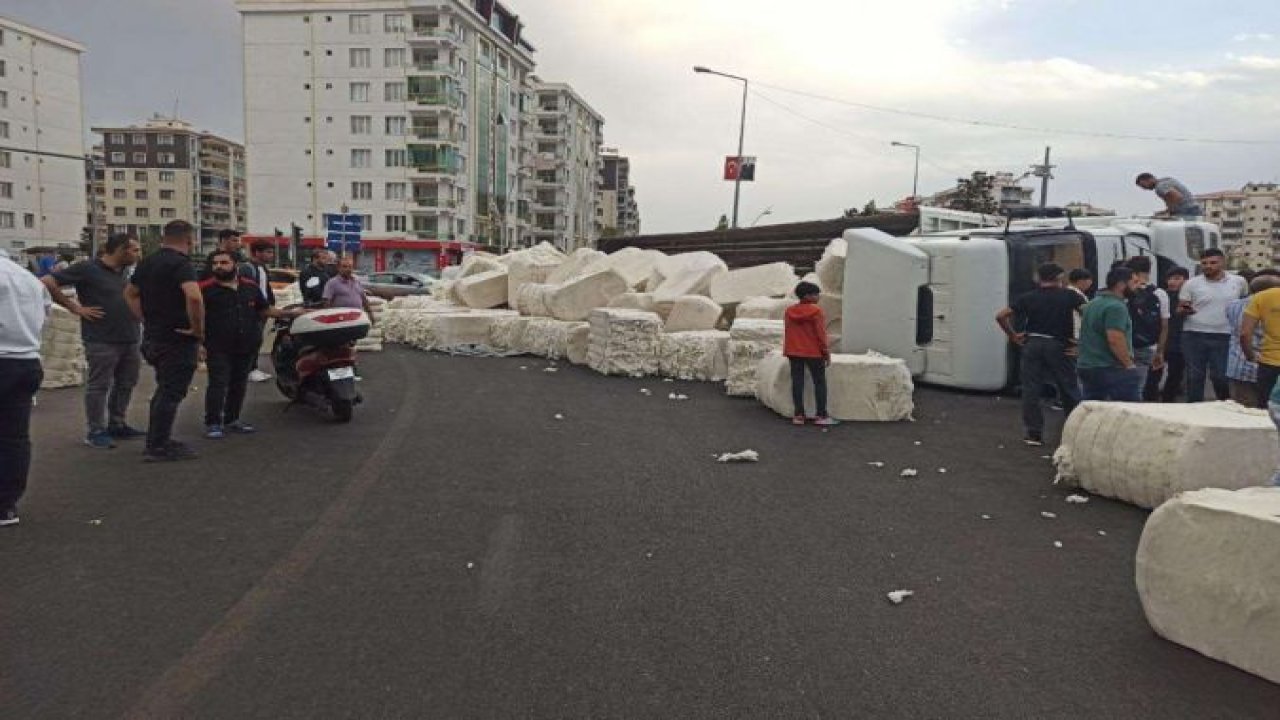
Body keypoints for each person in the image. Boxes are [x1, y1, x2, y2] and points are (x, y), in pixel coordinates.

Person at [41, 233, 145, 448]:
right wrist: (74, 308)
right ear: (120, 250)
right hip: (101, 339)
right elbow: (47, 281)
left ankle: (117, 423)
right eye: (135, 250)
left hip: (130, 336)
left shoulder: (128, 272)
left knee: (126, 383)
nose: (138, 254)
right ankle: (95, 430)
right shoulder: (87, 269)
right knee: (99, 385)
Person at [124, 219, 204, 462]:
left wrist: (146, 318)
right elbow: (194, 297)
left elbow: (129, 293)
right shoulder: (181, 264)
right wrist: (197, 330)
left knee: (164, 389)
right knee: (171, 392)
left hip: (154, 336)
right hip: (177, 338)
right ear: (189, 239)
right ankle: (158, 445)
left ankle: (158, 439)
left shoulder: (148, 262)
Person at [198, 250, 298, 438]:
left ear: (235, 264)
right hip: (217, 345)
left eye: (224, 262)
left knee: (239, 383)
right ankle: (213, 422)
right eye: (215, 263)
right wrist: (199, 343)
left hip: (246, 344)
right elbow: (195, 316)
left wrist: (292, 314)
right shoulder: (204, 288)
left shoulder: (250, 287)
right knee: (218, 383)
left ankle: (232, 419)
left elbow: (265, 309)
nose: (219, 266)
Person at [995, 263, 1086, 446]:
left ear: (1039, 278)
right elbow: (1090, 314)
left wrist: (1013, 335)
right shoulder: (1070, 296)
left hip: (1032, 343)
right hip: (1059, 344)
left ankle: (1034, 433)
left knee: (1031, 389)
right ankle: (1077, 430)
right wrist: (1083, 342)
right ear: (1059, 278)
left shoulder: (1029, 297)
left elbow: (1001, 315)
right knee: (1068, 387)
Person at [0, 252, 50, 526]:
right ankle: (6, 505)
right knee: (14, 437)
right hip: (26, 360)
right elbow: (45, 315)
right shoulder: (28, 278)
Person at [1180, 248, 1247, 402]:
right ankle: (1193, 410)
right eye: (1204, 263)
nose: (1208, 266)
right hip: (1194, 335)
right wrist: (1184, 310)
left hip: (1225, 335)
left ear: (1223, 262)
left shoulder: (1239, 282)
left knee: (1221, 377)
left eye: (1213, 262)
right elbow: (1181, 306)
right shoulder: (1191, 284)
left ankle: (1222, 407)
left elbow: (1244, 304)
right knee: (1194, 376)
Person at [1077, 267, 1143, 401]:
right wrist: (1129, 365)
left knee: (1094, 410)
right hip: (1111, 367)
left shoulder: (1092, 303)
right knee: (1129, 412)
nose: (1138, 286)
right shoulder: (1116, 307)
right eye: (1134, 282)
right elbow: (1115, 338)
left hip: (1088, 366)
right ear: (1121, 285)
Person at [783, 281, 836, 426]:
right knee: (819, 382)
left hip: (793, 351)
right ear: (808, 296)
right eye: (816, 294)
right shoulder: (816, 312)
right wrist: (826, 353)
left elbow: (788, 332)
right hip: (813, 352)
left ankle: (799, 415)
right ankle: (821, 415)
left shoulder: (789, 311)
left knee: (797, 382)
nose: (818, 297)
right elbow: (820, 334)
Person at [1228, 274, 1280, 407]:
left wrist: (1250, 356)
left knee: (1258, 410)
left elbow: (1244, 333)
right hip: (1262, 363)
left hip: (1260, 363)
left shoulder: (1234, 305)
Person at [1122, 256, 1169, 393]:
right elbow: (1164, 325)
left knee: (1125, 386)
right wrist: (1160, 351)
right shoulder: (1159, 293)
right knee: (1146, 386)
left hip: (1125, 345)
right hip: (1150, 345)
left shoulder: (1124, 292)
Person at [1146, 267, 1190, 401]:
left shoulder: (1189, 298)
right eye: (1169, 279)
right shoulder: (1160, 295)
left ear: (1186, 280)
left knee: (1175, 375)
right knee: (1154, 373)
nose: (1172, 282)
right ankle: (1150, 399)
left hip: (1179, 342)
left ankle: (1168, 400)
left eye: (1177, 279)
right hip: (1160, 340)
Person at [1135, 173, 1203, 218]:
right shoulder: (1167, 180)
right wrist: (1166, 211)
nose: (1144, 188)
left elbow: (1177, 197)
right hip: (1194, 209)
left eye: (1143, 185)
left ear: (1150, 179)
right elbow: (1173, 200)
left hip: (1187, 211)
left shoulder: (1160, 187)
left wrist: (1168, 212)